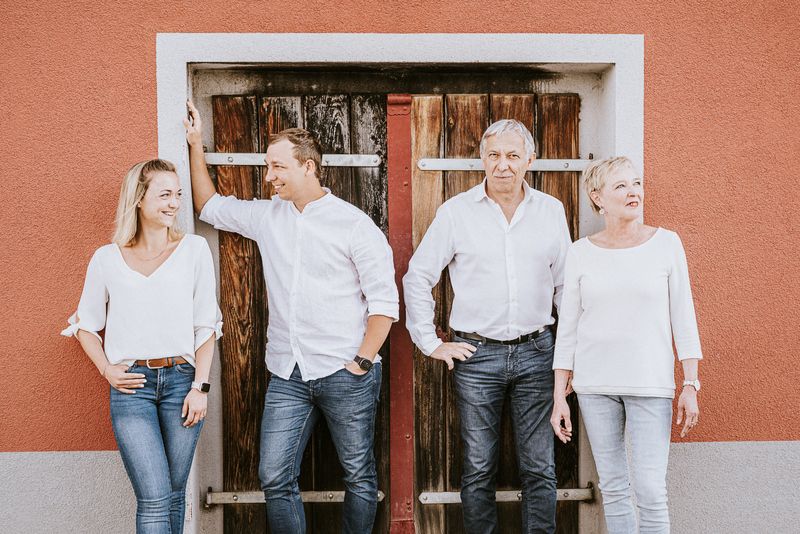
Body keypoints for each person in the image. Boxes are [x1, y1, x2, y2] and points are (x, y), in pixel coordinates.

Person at [184, 101, 398, 534]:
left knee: (359, 477)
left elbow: (384, 305)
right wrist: (193, 145)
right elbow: (208, 205)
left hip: (347, 372)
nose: (269, 177)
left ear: (308, 167)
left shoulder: (354, 225)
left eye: (277, 166)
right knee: (274, 477)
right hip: (287, 372)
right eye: (267, 166)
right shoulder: (267, 217)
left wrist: (359, 362)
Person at [404, 119, 571, 534]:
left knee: (539, 467)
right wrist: (430, 342)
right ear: (482, 158)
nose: (503, 165)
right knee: (478, 467)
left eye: (513, 156)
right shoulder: (456, 212)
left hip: (538, 354)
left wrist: (569, 358)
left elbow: (567, 289)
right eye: (494, 155)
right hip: (477, 356)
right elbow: (418, 276)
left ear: (529, 160)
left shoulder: (551, 211)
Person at [62, 159, 222, 534]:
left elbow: (206, 327)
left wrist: (201, 387)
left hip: (184, 384)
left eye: (178, 195)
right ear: (138, 198)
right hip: (131, 388)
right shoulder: (107, 258)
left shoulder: (194, 250)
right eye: (164, 194)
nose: (174, 203)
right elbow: (85, 326)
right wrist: (106, 369)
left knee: (174, 493)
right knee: (153, 497)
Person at [550, 156, 702, 534]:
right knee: (614, 489)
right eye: (621, 186)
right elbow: (567, 326)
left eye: (636, 183)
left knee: (651, 490)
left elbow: (684, 316)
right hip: (595, 385)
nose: (633, 191)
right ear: (597, 196)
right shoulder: (580, 252)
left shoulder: (666, 244)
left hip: (650, 384)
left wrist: (690, 383)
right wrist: (559, 397)